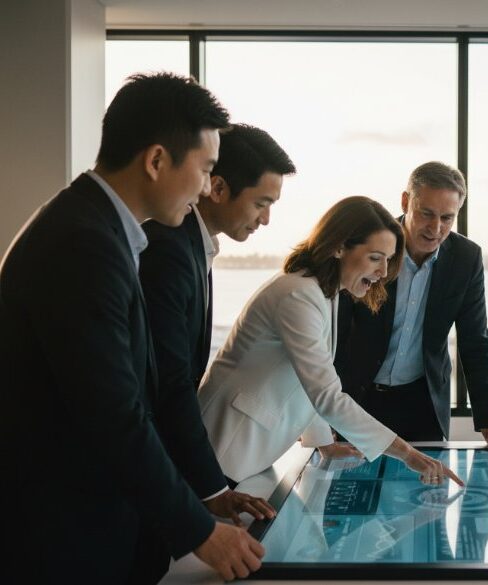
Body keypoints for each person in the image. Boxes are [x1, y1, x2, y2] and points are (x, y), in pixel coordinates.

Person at [0, 73, 265, 584]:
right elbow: (113, 414)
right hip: (63, 532)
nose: (209, 187)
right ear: (157, 160)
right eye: (206, 169)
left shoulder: (94, 228)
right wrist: (201, 530)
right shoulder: (83, 243)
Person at [198, 196, 463, 487]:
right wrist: (409, 454)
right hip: (220, 450)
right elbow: (327, 395)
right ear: (339, 246)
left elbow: (308, 381)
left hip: (246, 453)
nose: (384, 272)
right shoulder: (298, 294)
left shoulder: (325, 293)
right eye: (375, 258)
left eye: (388, 260)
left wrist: (323, 442)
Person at [135, 123, 295, 583]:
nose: (265, 219)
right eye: (261, 203)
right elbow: (170, 385)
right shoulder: (167, 248)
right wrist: (209, 492)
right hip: (137, 476)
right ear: (219, 188)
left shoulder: (192, 246)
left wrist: (216, 493)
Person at [334, 162, 488, 445]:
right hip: (356, 399)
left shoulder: (466, 258)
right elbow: (335, 333)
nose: (435, 228)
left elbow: (475, 341)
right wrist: (324, 411)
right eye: (426, 213)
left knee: (428, 487)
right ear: (406, 201)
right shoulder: (371, 245)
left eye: (447, 218)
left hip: (422, 405)